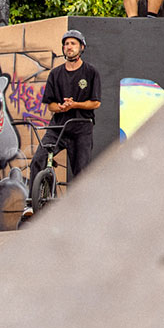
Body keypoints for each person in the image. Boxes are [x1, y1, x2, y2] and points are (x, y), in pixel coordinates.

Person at [25, 30, 101, 213]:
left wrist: (75, 104)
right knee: (38, 159)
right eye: (66, 44)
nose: (69, 47)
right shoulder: (55, 73)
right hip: (58, 127)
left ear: (81, 47)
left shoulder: (90, 72)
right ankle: (30, 204)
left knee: (81, 171)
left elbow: (95, 102)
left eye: (73, 43)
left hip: (81, 127)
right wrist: (60, 107)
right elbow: (50, 104)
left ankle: (81, 210)